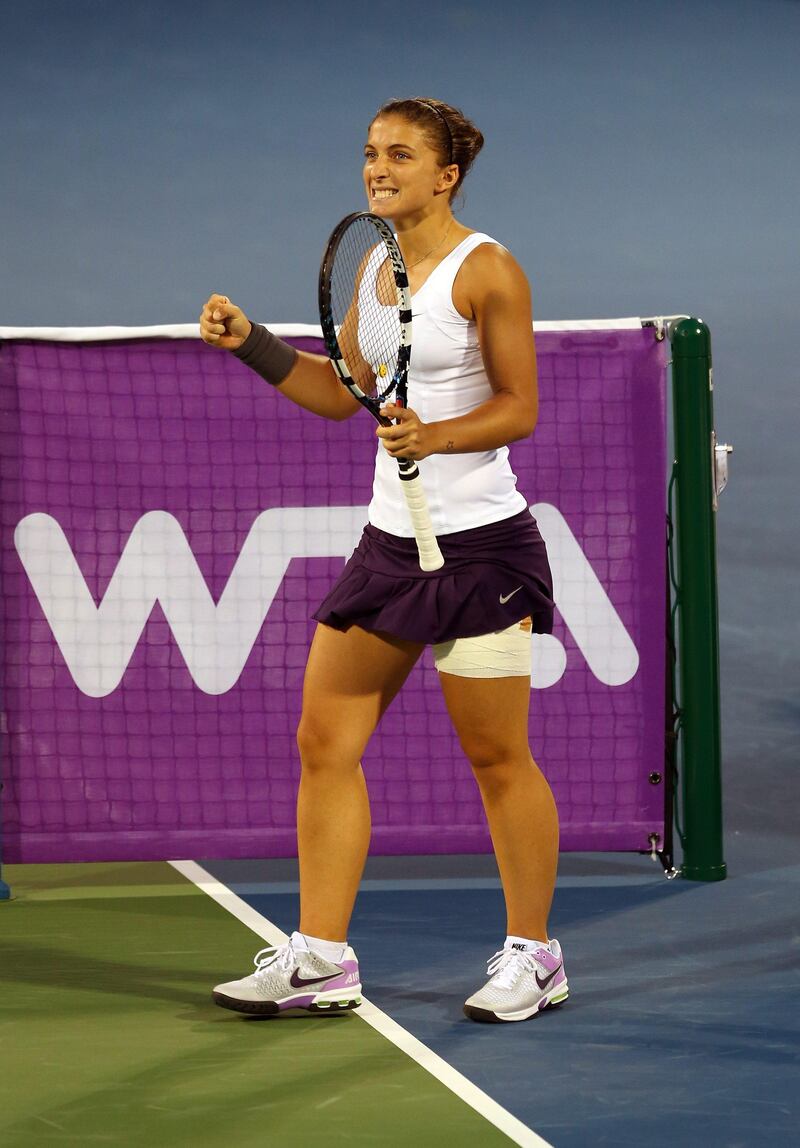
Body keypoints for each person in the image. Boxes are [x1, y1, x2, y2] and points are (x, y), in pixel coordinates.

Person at [199, 97, 567, 1024]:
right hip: (389, 550)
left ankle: (536, 955)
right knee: (324, 744)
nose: (377, 168)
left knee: (496, 756)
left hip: (484, 555)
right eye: (369, 153)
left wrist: (433, 434)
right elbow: (342, 398)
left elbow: (519, 406)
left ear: (446, 175)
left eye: (400, 155)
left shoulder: (492, 271)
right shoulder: (374, 266)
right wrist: (254, 346)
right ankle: (322, 955)